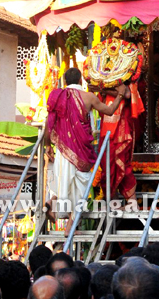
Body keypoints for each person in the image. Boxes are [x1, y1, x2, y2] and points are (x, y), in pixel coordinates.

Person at [45, 68, 127, 235]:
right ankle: (69, 228)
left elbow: (49, 123)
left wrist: (48, 146)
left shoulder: (58, 96)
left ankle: (52, 205)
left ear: (65, 82)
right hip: (81, 151)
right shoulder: (88, 97)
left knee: (63, 184)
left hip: (62, 149)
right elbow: (109, 111)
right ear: (81, 81)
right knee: (81, 189)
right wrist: (119, 95)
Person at [95, 78, 144, 209]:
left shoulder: (128, 81)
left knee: (122, 163)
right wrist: (104, 89)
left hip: (122, 129)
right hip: (107, 131)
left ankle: (132, 202)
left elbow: (127, 94)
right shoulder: (104, 82)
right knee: (107, 164)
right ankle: (114, 203)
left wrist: (104, 89)